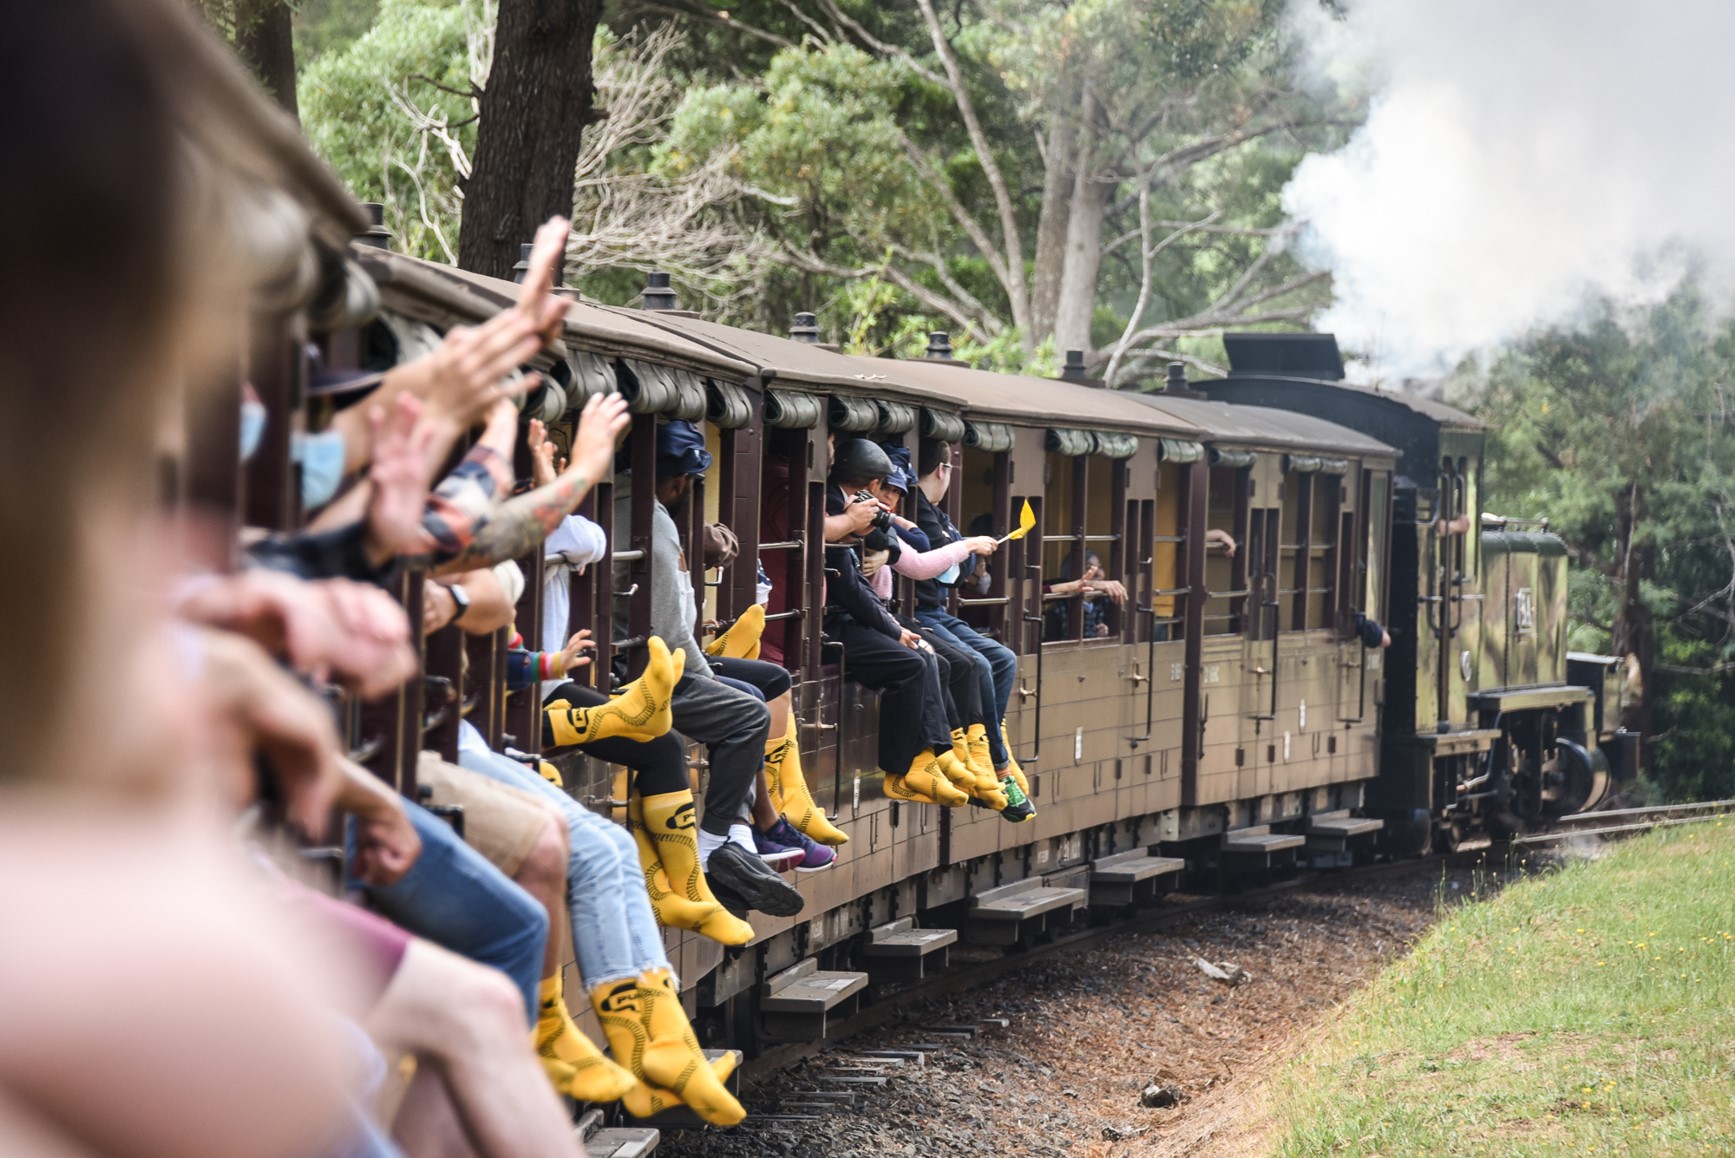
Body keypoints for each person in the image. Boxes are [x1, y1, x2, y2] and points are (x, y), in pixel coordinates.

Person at [615, 420, 803, 919]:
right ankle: (717, 841)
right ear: (679, 482)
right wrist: (708, 678)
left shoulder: (634, 507)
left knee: (750, 691)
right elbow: (666, 634)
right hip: (640, 671)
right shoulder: (653, 528)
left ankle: (740, 834)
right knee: (746, 713)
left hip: (651, 657)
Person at [873, 451, 1033, 821]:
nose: (891, 498)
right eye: (888, 490)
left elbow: (942, 566)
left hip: (922, 611)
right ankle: (976, 762)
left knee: (1002, 658)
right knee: (964, 663)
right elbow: (931, 564)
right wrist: (965, 548)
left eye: (896, 491)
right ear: (944, 469)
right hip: (906, 612)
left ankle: (992, 755)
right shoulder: (905, 513)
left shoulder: (926, 514)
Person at [821, 439, 967, 807]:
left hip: (855, 614)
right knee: (911, 664)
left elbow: (866, 579)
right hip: (831, 623)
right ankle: (901, 768)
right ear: (870, 484)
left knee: (931, 656)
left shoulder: (850, 510)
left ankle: (935, 755)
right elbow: (850, 589)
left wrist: (889, 624)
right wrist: (890, 628)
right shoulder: (836, 510)